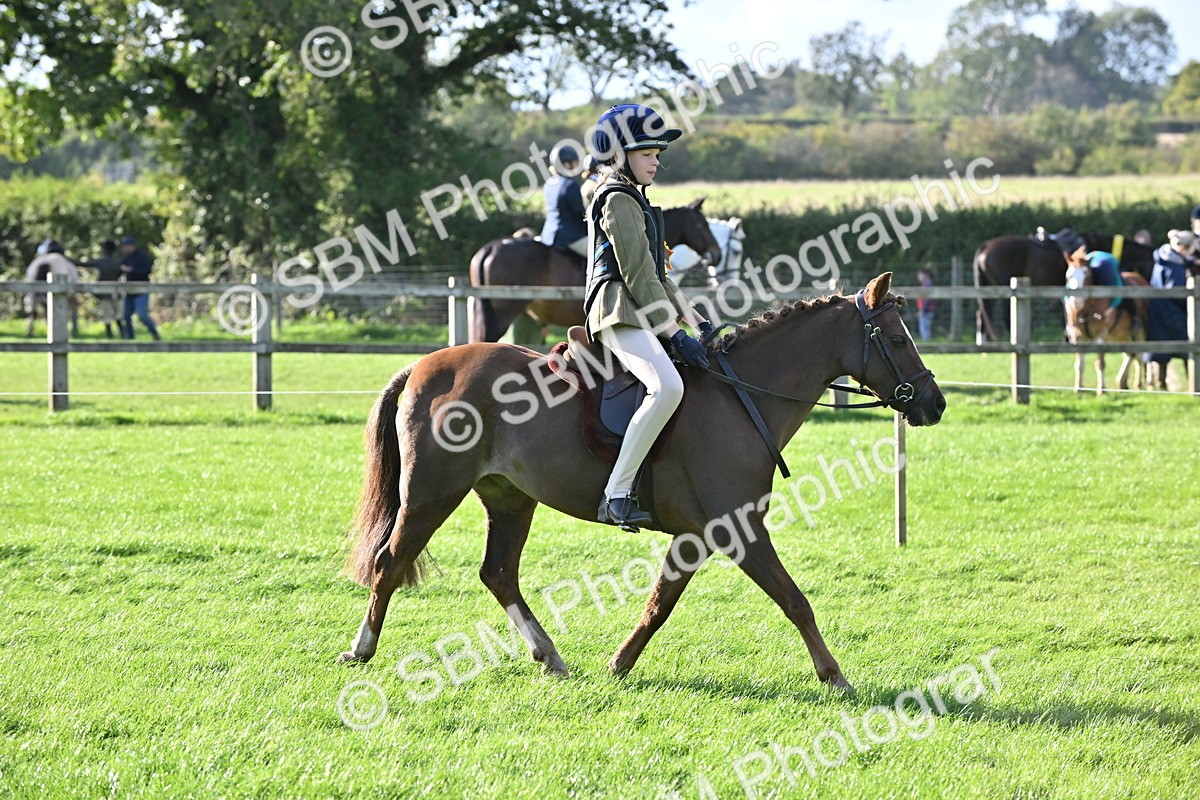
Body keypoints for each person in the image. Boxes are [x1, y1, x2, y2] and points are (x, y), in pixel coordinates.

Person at [584, 104, 712, 531]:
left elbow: (659, 274)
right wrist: (674, 333)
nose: (656, 161)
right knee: (667, 386)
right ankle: (616, 494)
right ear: (619, 155)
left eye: (657, 153)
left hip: (638, 308)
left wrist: (696, 320)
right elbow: (638, 276)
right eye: (646, 153)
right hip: (617, 312)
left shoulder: (636, 198)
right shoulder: (618, 199)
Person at [1144, 229, 1196, 382]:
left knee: (1161, 350)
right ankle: (1194, 384)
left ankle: (1160, 384)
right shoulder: (1175, 266)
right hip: (1172, 313)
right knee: (1189, 347)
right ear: (1184, 247)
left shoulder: (1164, 258)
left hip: (1158, 310)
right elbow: (1177, 291)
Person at [540, 144, 589, 261]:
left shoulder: (549, 183)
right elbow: (581, 213)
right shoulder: (570, 185)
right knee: (602, 252)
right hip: (570, 236)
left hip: (548, 234)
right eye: (575, 163)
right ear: (566, 164)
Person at [24, 239, 79, 337]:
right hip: (62, 287)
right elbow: (73, 287)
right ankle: (67, 331)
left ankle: (30, 328)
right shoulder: (68, 264)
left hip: (38, 287)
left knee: (33, 305)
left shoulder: (37, 262)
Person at [79, 239, 125, 338]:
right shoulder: (118, 262)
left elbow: (83, 264)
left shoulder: (101, 261)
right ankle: (123, 335)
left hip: (104, 293)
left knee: (107, 315)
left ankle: (110, 336)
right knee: (119, 314)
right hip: (116, 291)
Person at [119, 235, 161, 340]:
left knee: (142, 315)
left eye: (127, 246)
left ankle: (155, 334)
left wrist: (132, 270)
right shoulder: (125, 258)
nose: (125, 249)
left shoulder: (142, 256)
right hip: (129, 292)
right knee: (126, 316)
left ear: (132, 246)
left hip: (142, 290)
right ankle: (130, 338)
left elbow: (147, 271)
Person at [915, 268, 935, 340]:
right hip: (924, 310)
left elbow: (928, 300)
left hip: (926, 310)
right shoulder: (924, 286)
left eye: (920, 275)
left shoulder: (929, 286)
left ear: (926, 275)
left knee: (924, 328)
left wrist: (922, 310)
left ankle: (927, 342)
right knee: (924, 327)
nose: (919, 277)